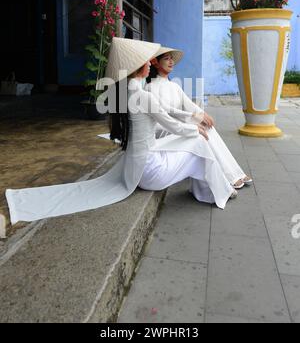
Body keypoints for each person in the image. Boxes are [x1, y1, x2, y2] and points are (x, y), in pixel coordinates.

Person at [5, 38, 236, 226]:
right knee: (198, 143)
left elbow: (166, 112)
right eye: (147, 61)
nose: (150, 63)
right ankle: (214, 192)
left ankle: (213, 189)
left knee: (194, 139)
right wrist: (195, 127)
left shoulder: (125, 92)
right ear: (140, 67)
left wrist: (194, 121)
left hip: (137, 168)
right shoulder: (143, 95)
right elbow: (171, 124)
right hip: (151, 173)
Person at [145, 47, 253, 191]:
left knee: (207, 127)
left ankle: (234, 172)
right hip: (164, 128)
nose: (171, 61)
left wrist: (202, 114)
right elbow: (165, 110)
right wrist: (194, 117)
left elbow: (188, 104)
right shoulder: (150, 87)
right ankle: (228, 175)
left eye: (171, 58)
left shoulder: (174, 85)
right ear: (156, 63)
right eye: (166, 58)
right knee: (200, 131)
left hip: (178, 123)